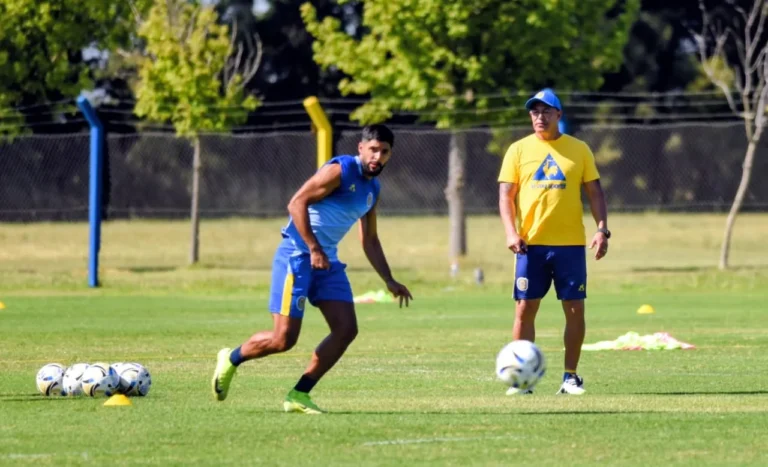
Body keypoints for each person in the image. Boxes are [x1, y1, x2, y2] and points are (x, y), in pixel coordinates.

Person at [211, 124, 413, 413]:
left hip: (327, 263)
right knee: (283, 339)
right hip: (297, 255)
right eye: (372, 150)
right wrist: (314, 248)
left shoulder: (373, 189)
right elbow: (296, 204)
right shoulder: (340, 171)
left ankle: (299, 395)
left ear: (390, 155)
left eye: (384, 152)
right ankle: (231, 358)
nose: (377, 157)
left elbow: (369, 239)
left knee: (346, 329)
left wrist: (389, 280)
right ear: (360, 148)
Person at [497, 88, 609, 395]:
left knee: (574, 310)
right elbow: (506, 196)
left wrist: (602, 229)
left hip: (570, 245)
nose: (539, 116)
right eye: (534, 112)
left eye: (546, 111)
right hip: (530, 245)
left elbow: (595, 192)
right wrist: (510, 232)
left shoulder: (579, 149)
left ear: (559, 115)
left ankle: (570, 376)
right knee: (524, 309)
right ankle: (522, 379)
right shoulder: (518, 150)